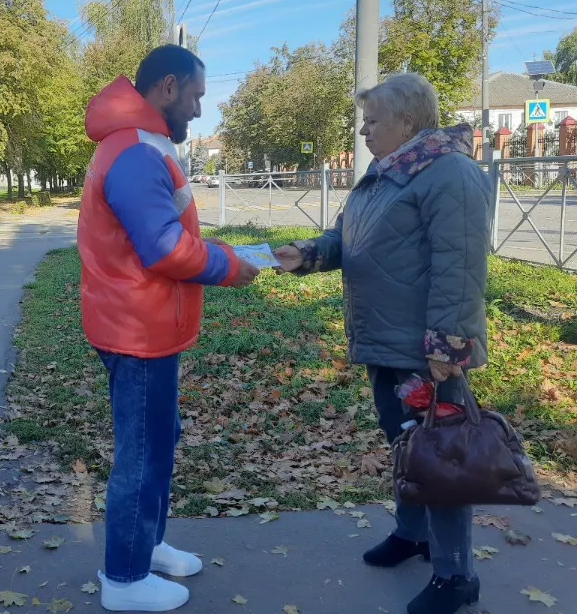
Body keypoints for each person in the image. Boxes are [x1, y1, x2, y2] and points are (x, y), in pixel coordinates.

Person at [274, 73, 491, 614]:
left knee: (440, 461)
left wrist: (447, 347)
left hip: (426, 353)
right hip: (385, 343)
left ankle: (456, 574)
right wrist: (310, 252)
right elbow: (348, 235)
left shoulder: (450, 173)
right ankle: (413, 535)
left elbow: (460, 267)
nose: (365, 131)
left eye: (373, 122)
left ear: (409, 122)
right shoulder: (385, 172)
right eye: (364, 121)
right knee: (408, 450)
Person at [77, 45, 261, 612]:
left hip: (146, 325)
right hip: (138, 330)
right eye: (197, 96)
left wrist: (226, 255)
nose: (200, 110)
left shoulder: (140, 142)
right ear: (167, 87)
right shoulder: (135, 151)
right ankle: (124, 580)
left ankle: (145, 547)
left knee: (158, 442)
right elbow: (162, 247)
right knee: (143, 453)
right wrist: (232, 265)